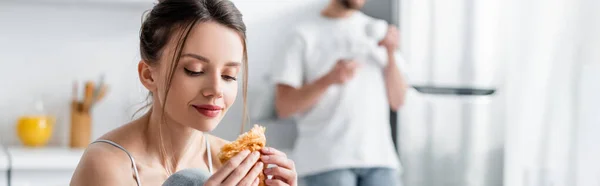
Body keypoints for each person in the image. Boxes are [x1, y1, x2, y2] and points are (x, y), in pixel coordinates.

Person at [70, 0, 297, 185]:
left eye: (229, 75)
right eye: (194, 70)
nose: (216, 90)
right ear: (149, 75)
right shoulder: (106, 166)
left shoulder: (233, 167)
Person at [273, 0, 408, 185]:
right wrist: (329, 79)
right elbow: (284, 106)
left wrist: (391, 52)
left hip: (381, 161)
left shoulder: (378, 32)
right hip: (326, 163)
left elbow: (398, 101)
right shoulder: (302, 35)